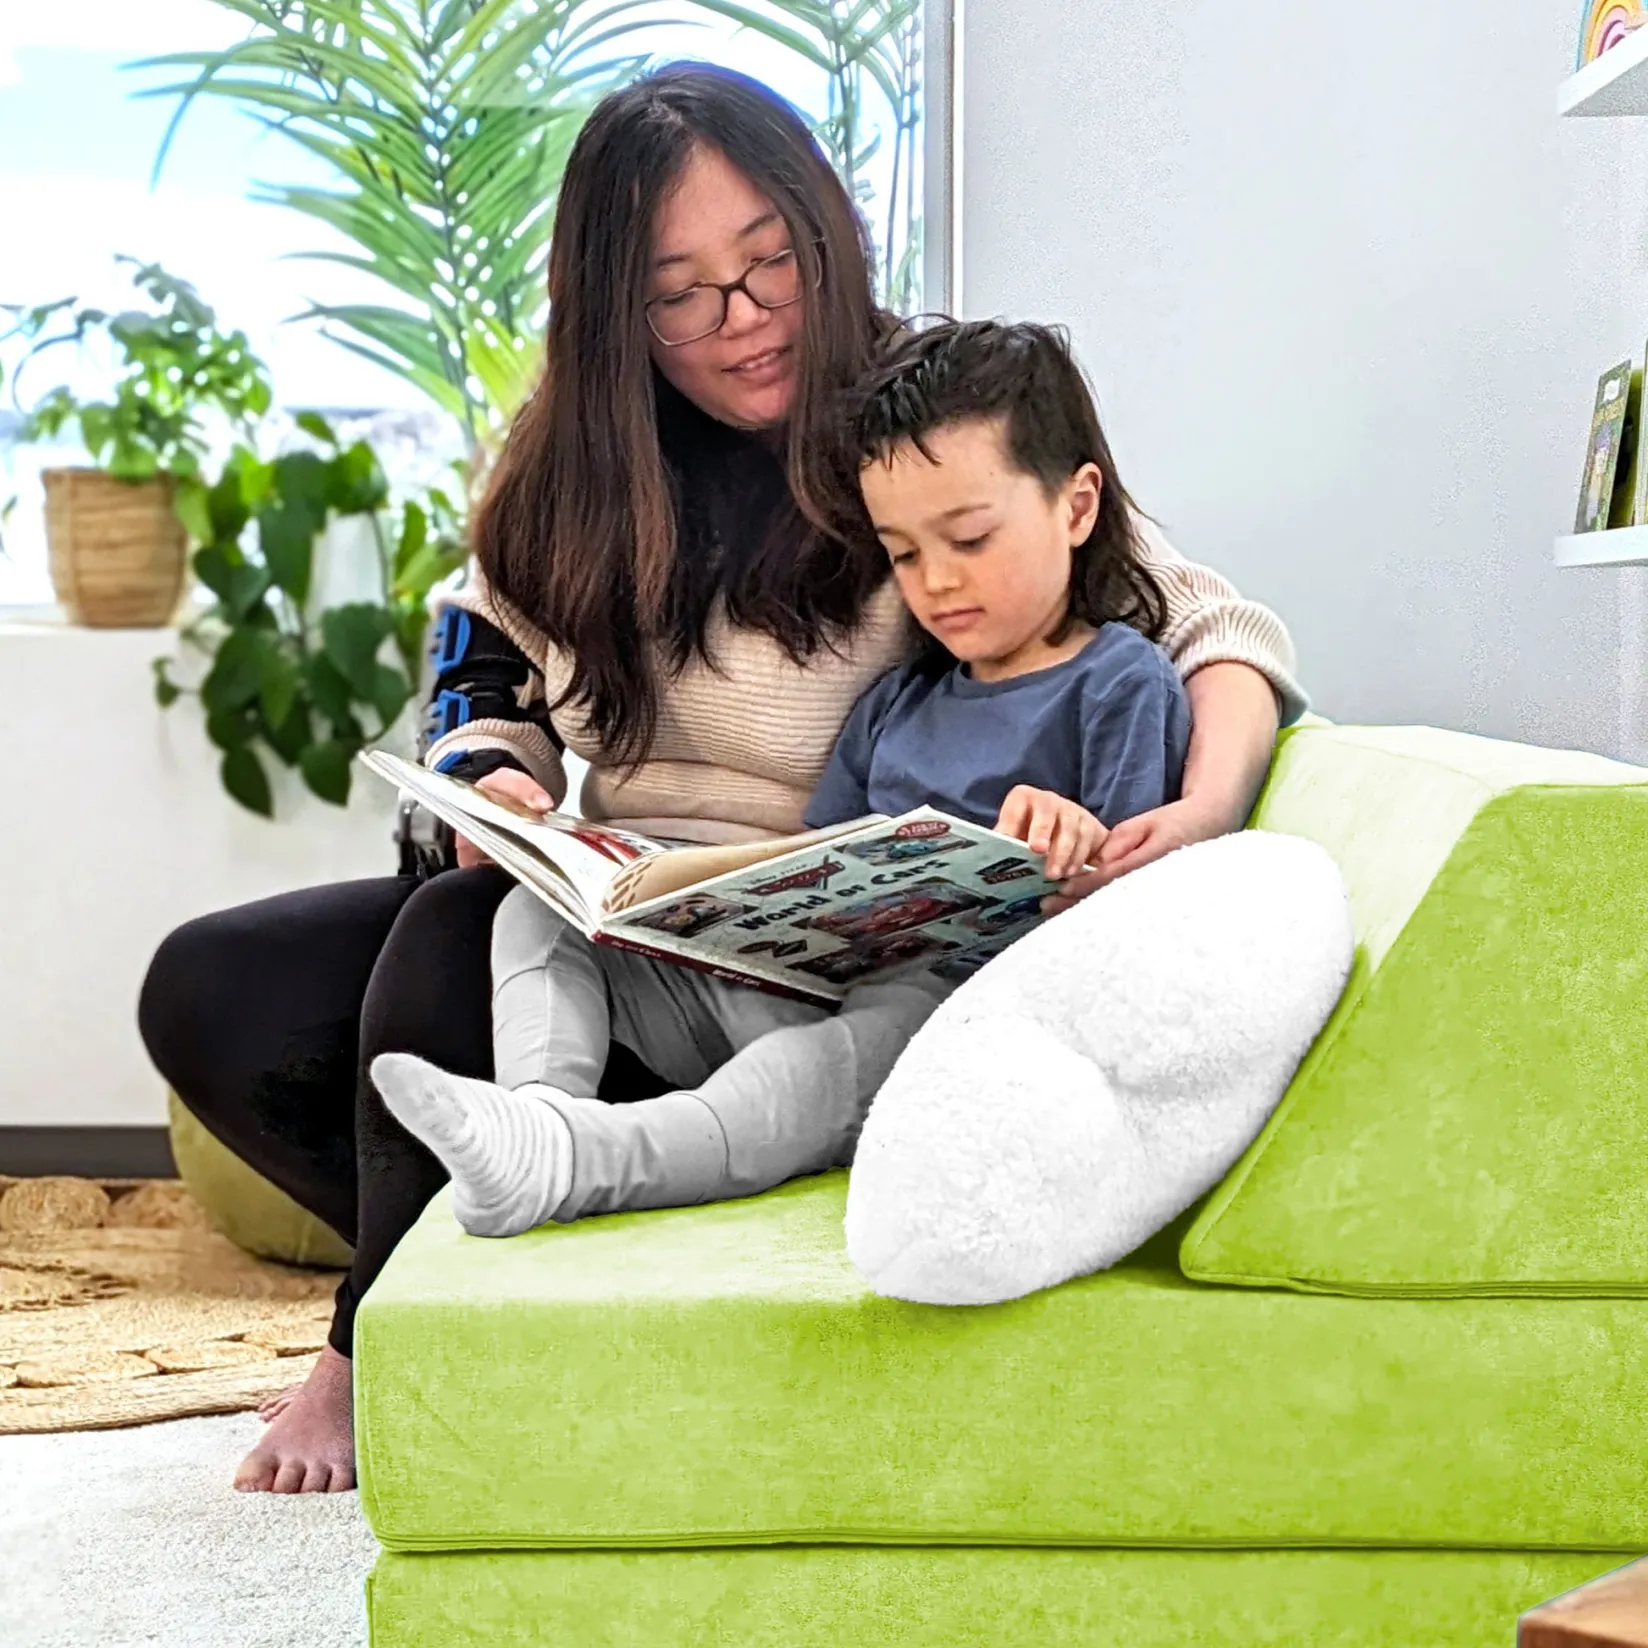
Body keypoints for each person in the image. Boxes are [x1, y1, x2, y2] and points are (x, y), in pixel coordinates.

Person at [136, 63, 1304, 1497]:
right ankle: (555, 1215)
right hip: (637, 936)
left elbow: (1209, 627)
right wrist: (493, 778)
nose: (742, 318)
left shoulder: (925, 418)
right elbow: (481, 656)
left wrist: (1203, 812)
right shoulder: (580, 458)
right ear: (614, 314)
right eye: (680, 296)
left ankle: (374, 1339)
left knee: (441, 949)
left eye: (768, 263)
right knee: (221, 988)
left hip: (848, 961)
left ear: (826, 234)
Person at [369, 318, 1193, 1235]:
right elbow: (818, 862)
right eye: (904, 553)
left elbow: (1135, 908)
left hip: (954, 1029)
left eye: (969, 539)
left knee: (831, 1055)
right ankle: (537, 1118)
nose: (936, 583)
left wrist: (1075, 839)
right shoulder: (898, 700)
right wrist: (678, 896)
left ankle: (581, 1165)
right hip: (817, 992)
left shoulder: (1119, 682)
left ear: (1077, 508)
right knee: (537, 916)